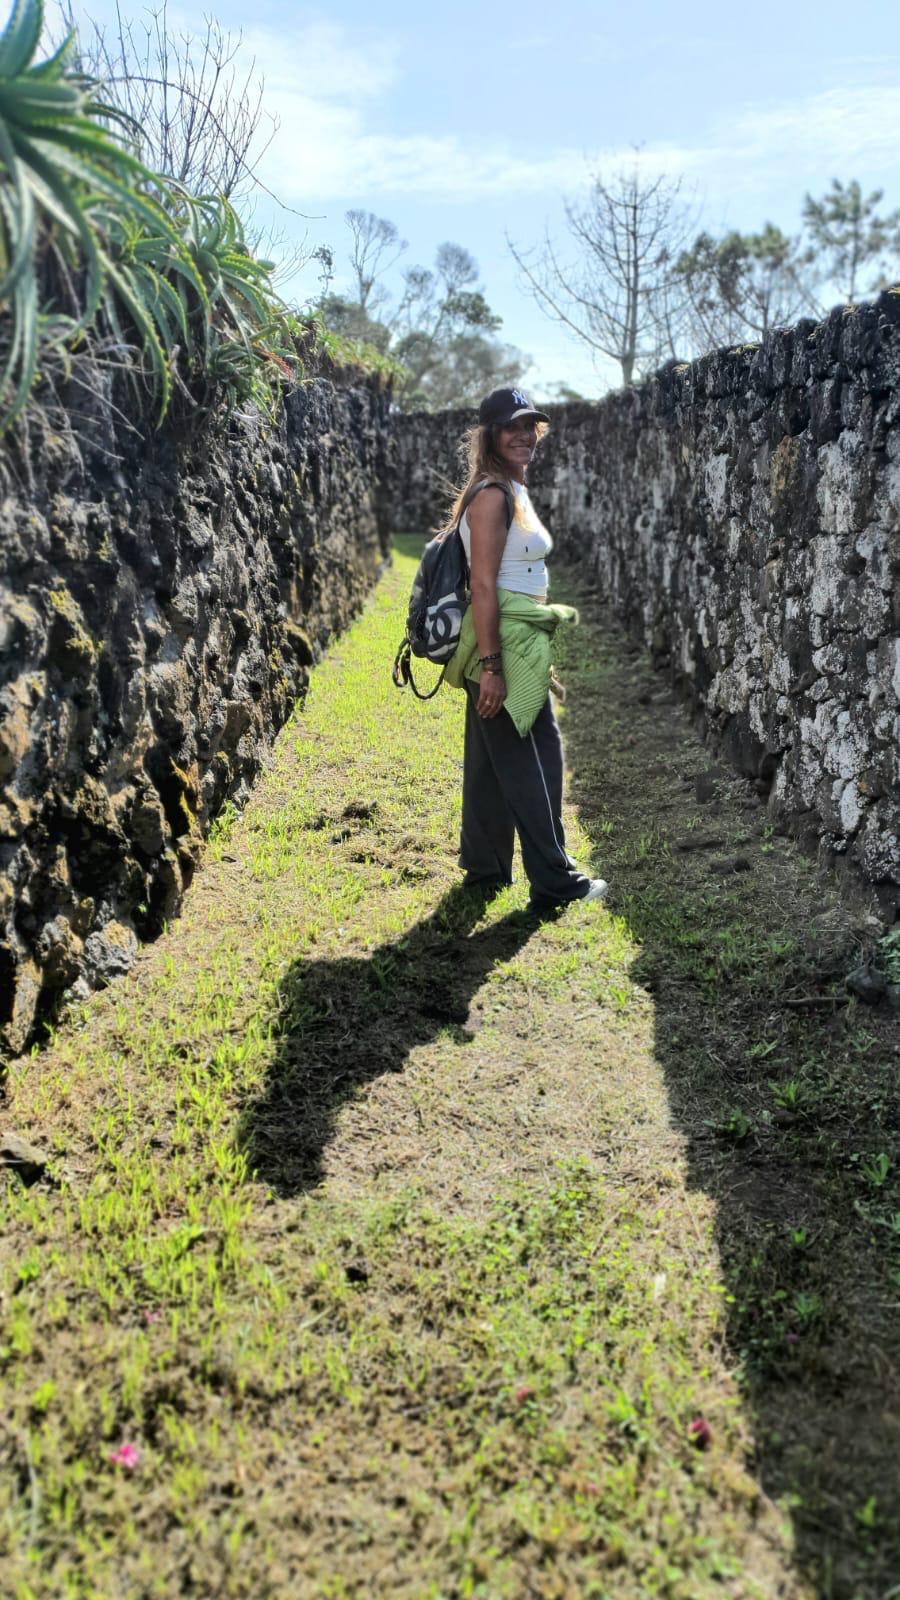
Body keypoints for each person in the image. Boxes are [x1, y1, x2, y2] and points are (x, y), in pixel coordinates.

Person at [442, 386, 608, 912]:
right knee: (535, 760)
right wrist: (492, 666)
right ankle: (556, 881)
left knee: (494, 758)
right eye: (511, 427)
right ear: (489, 434)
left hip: (519, 637)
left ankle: (485, 867)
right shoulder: (493, 495)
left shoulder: (509, 487)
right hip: (504, 643)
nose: (524, 436)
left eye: (529, 426)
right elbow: (485, 585)